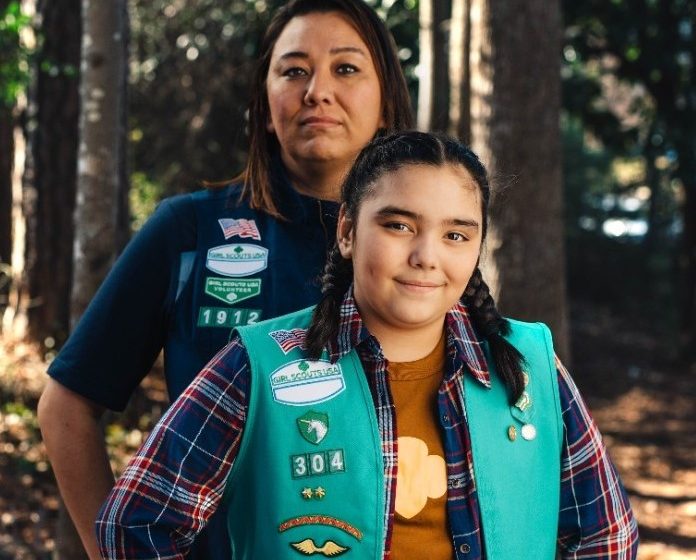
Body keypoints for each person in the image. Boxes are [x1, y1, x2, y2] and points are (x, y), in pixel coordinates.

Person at [95, 131, 639, 559]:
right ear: (348, 231)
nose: (428, 255)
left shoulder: (527, 364)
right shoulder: (260, 363)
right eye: (400, 225)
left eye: (456, 234)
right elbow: (137, 523)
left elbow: (607, 535)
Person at [36, 1, 413, 558]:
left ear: (385, 103)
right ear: (264, 106)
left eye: (346, 68)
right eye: (293, 70)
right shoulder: (190, 231)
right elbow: (65, 406)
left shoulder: (426, 247)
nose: (317, 91)